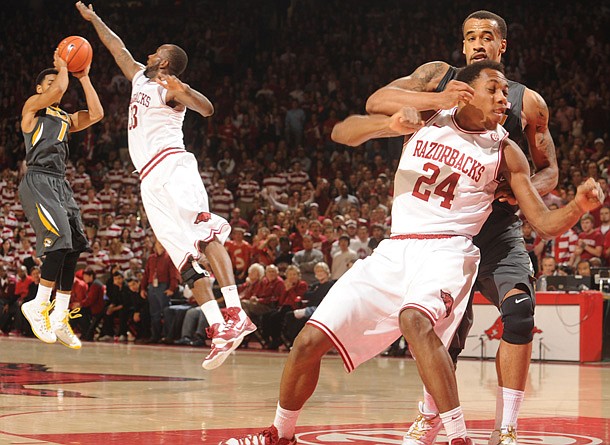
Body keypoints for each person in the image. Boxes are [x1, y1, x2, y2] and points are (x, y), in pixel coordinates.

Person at [220, 62, 603, 445]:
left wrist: (578, 207)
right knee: (307, 341)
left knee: (414, 320)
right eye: (495, 90)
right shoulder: (429, 115)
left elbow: (545, 222)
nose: (506, 98)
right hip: (395, 247)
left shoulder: (506, 151)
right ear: (467, 91)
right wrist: (388, 127)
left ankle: (457, 436)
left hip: (449, 250)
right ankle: (280, 434)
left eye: (505, 92)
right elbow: (344, 130)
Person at [365, 10, 559, 444]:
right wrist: (436, 102)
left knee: (520, 312)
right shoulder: (437, 77)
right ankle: (428, 416)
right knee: (443, 336)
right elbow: (377, 101)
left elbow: (549, 171)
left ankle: (506, 427)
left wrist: (521, 191)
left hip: (497, 232)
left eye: (486, 36)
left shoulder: (526, 101)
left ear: (501, 46)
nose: (477, 43)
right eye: (470, 36)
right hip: (441, 234)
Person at [77, 1, 256, 369]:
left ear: (165, 62)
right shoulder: (141, 76)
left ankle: (237, 312)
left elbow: (206, 109)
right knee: (185, 260)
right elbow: (118, 49)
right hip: (149, 180)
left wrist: (186, 90)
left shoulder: (171, 88)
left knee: (205, 235)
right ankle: (219, 327)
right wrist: (94, 19)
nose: (149, 52)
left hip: (174, 167)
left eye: (157, 51)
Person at [19, 48, 103, 349]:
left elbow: (96, 114)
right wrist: (62, 68)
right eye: (51, 82)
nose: (57, 85)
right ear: (40, 89)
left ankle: (60, 314)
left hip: (60, 183)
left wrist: (85, 77)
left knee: (74, 245)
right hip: (38, 179)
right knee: (59, 239)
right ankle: (37, 304)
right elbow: (59, 87)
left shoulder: (64, 117)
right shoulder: (32, 107)